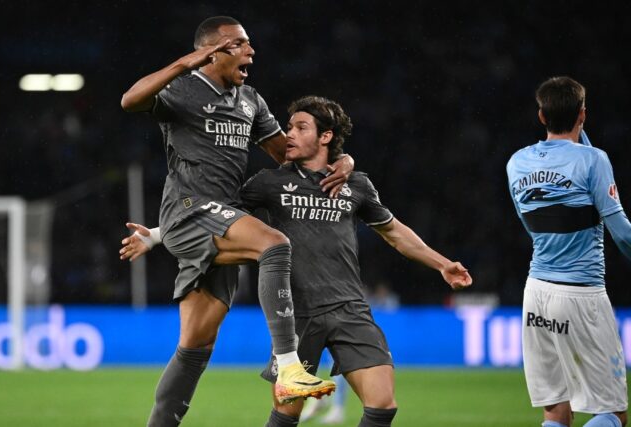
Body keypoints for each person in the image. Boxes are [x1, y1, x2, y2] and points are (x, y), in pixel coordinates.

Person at [123, 96, 473, 427]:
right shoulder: (269, 183)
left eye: (300, 127)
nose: (288, 134)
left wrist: (442, 264)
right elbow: (219, 218)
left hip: (350, 307)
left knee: (383, 404)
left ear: (326, 136)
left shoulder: (356, 185)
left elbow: (394, 232)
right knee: (287, 414)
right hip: (297, 316)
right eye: (289, 126)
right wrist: (154, 236)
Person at [120, 17, 354, 426]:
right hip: (190, 209)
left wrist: (341, 160)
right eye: (241, 44)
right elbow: (129, 101)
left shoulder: (250, 100)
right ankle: (289, 368)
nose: (251, 52)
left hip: (222, 219)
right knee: (274, 244)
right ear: (215, 50)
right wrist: (184, 63)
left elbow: (288, 155)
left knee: (195, 347)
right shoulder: (183, 88)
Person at [506, 76, 630, 427]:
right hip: (581, 294)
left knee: (556, 412)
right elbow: (621, 233)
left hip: (536, 294)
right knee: (613, 413)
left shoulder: (517, 163)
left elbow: (530, 220)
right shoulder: (594, 161)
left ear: (541, 116)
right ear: (583, 115)